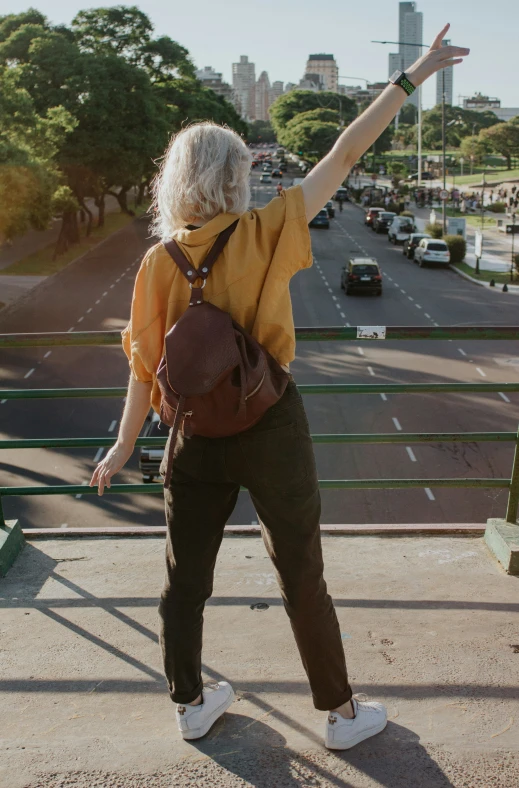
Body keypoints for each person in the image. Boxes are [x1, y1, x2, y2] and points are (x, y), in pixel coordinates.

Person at [89, 25, 468, 751]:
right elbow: (346, 152)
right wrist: (413, 74)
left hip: (192, 436)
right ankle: (338, 714)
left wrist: (120, 448)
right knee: (300, 572)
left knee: (183, 580)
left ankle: (191, 703)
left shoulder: (156, 263)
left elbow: (143, 366)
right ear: (237, 176)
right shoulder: (266, 228)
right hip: (269, 426)